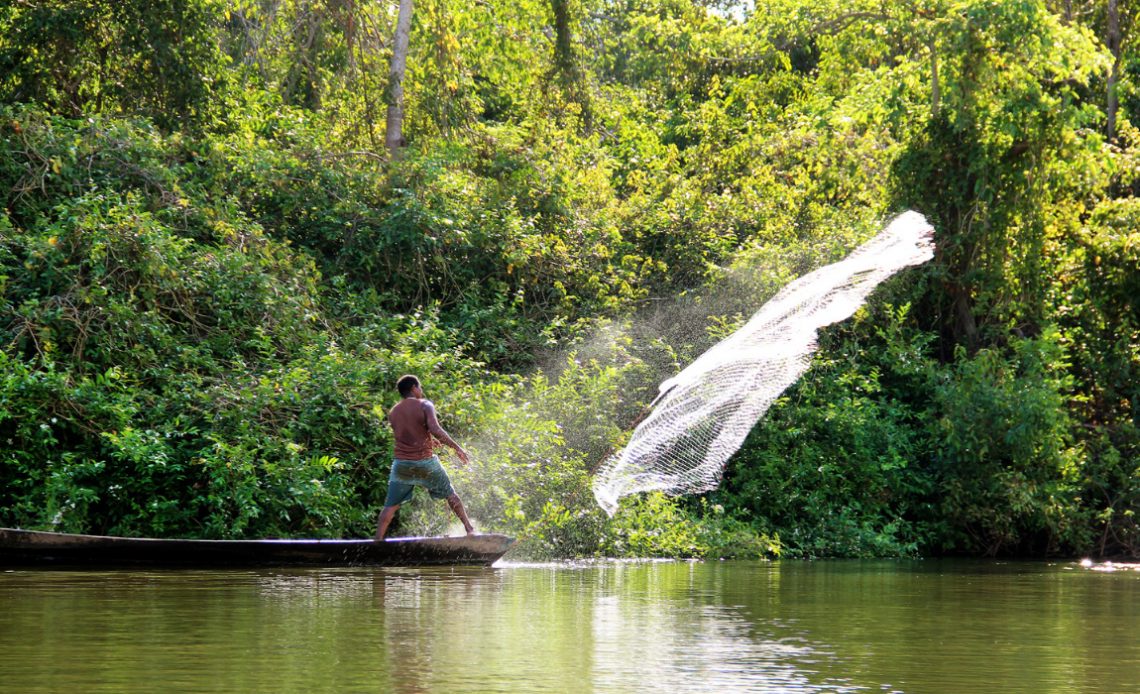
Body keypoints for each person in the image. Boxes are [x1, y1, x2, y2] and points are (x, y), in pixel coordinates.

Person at [375, 374, 476, 540]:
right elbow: (435, 428)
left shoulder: (394, 412)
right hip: (425, 463)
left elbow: (407, 435)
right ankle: (470, 529)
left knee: (390, 506)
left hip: (402, 465)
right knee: (450, 494)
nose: (421, 391)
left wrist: (430, 440)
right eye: (419, 387)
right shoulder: (425, 405)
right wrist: (457, 448)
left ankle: (376, 543)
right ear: (414, 388)